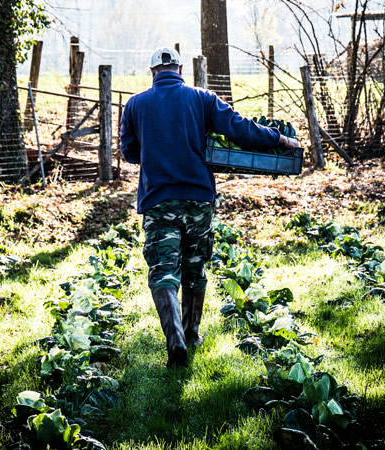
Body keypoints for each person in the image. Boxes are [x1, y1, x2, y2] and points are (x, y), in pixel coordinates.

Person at [120, 47, 299, 368]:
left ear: (152, 74)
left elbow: (130, 153)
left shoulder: (134, 105)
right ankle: (191, 333)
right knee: (194, 266)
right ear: (180, 69)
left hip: (159, 200)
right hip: (199, 199)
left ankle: (174, 339)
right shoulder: (202, 99)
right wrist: (280, 140)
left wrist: (154, 148)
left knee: (163, 270)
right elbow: (240, 128)